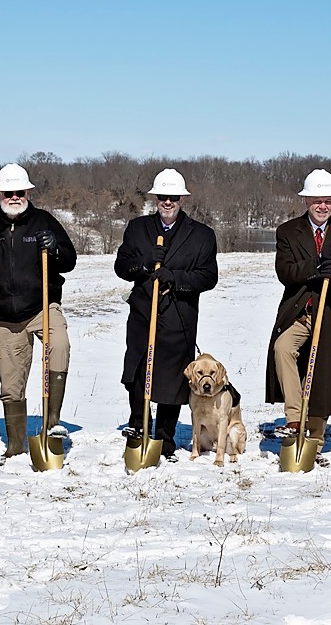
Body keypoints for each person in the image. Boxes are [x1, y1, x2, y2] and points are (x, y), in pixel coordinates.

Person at [0, 163, 78, 466]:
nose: (14, 196)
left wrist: (54, 248)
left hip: (42, 307)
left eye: (19, 192)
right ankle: (16, 445)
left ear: (27, 192)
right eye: (8, 192)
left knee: (60, 346)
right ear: (0, 194)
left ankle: (52, 423)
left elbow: (69, 260)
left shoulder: (44, 222)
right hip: (3, 316)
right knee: (10, 383)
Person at [114, 169, 219, 460]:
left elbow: (209, 277)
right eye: (163, 197)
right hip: (143, 312)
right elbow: (122, 267)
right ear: (155, 199)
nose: (168, 202)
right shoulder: (138, 229)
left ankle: (165, 438)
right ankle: (138, 426)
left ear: (182, 199)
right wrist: (145, 264)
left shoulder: (201, 235)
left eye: (173, 197)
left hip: (179, 316)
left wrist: (176, 277)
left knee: (173, 378)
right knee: (137, 371)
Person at [264, 169, 331, 451]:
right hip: (298, 311)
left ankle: (315, 440)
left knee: (322, 374)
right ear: (306, 200)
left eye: (328, 200)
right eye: (316, 200)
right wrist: (316, 266)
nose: (322, 206)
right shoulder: (287, 231)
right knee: (283, 349)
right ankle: (295, 419)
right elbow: (285, 272)